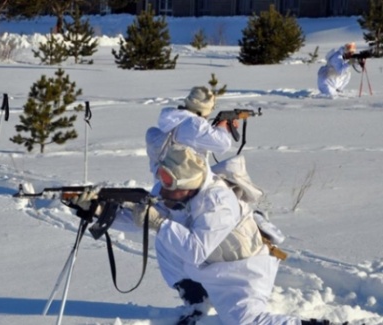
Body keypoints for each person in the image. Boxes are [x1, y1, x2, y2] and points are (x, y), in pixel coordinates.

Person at [70, 145, 348, 325]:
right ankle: (196, 297)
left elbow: (194, 249)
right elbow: (140, 222)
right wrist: (95, 210)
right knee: (165, 240)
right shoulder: (171, 190)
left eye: (168, 183)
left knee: (247, 322)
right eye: (161, 178)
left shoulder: (219, 203)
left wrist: (159, 223)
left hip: (242, 269)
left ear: (190, 186)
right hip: (208, 262)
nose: (161, 188)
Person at [146, 86, 233, 195]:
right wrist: (222, 128)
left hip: (163, 187)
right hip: (189, 188)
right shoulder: (194, 124)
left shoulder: (173, 120)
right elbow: (223, 144)